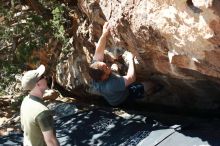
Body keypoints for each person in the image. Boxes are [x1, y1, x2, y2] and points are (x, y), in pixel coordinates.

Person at [88, 22, 153, 106]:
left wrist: (104, 34)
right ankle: (152, 91)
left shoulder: (95, 69)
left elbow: (99, 50)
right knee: (148, 85)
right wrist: (131, 60)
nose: (107, 66)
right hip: (122, 100)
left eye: (104, 64)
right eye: (106, 68)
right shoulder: (111, 85)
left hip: (114, 93)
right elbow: (131, 78)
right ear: (103, 77)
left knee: (114, 66)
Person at [20, 64, 60, 146]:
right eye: (42, 77)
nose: (45, 78)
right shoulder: (42, 112)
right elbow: (51, 142)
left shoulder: (26, 101)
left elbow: (23, 128)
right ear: (38, 84)